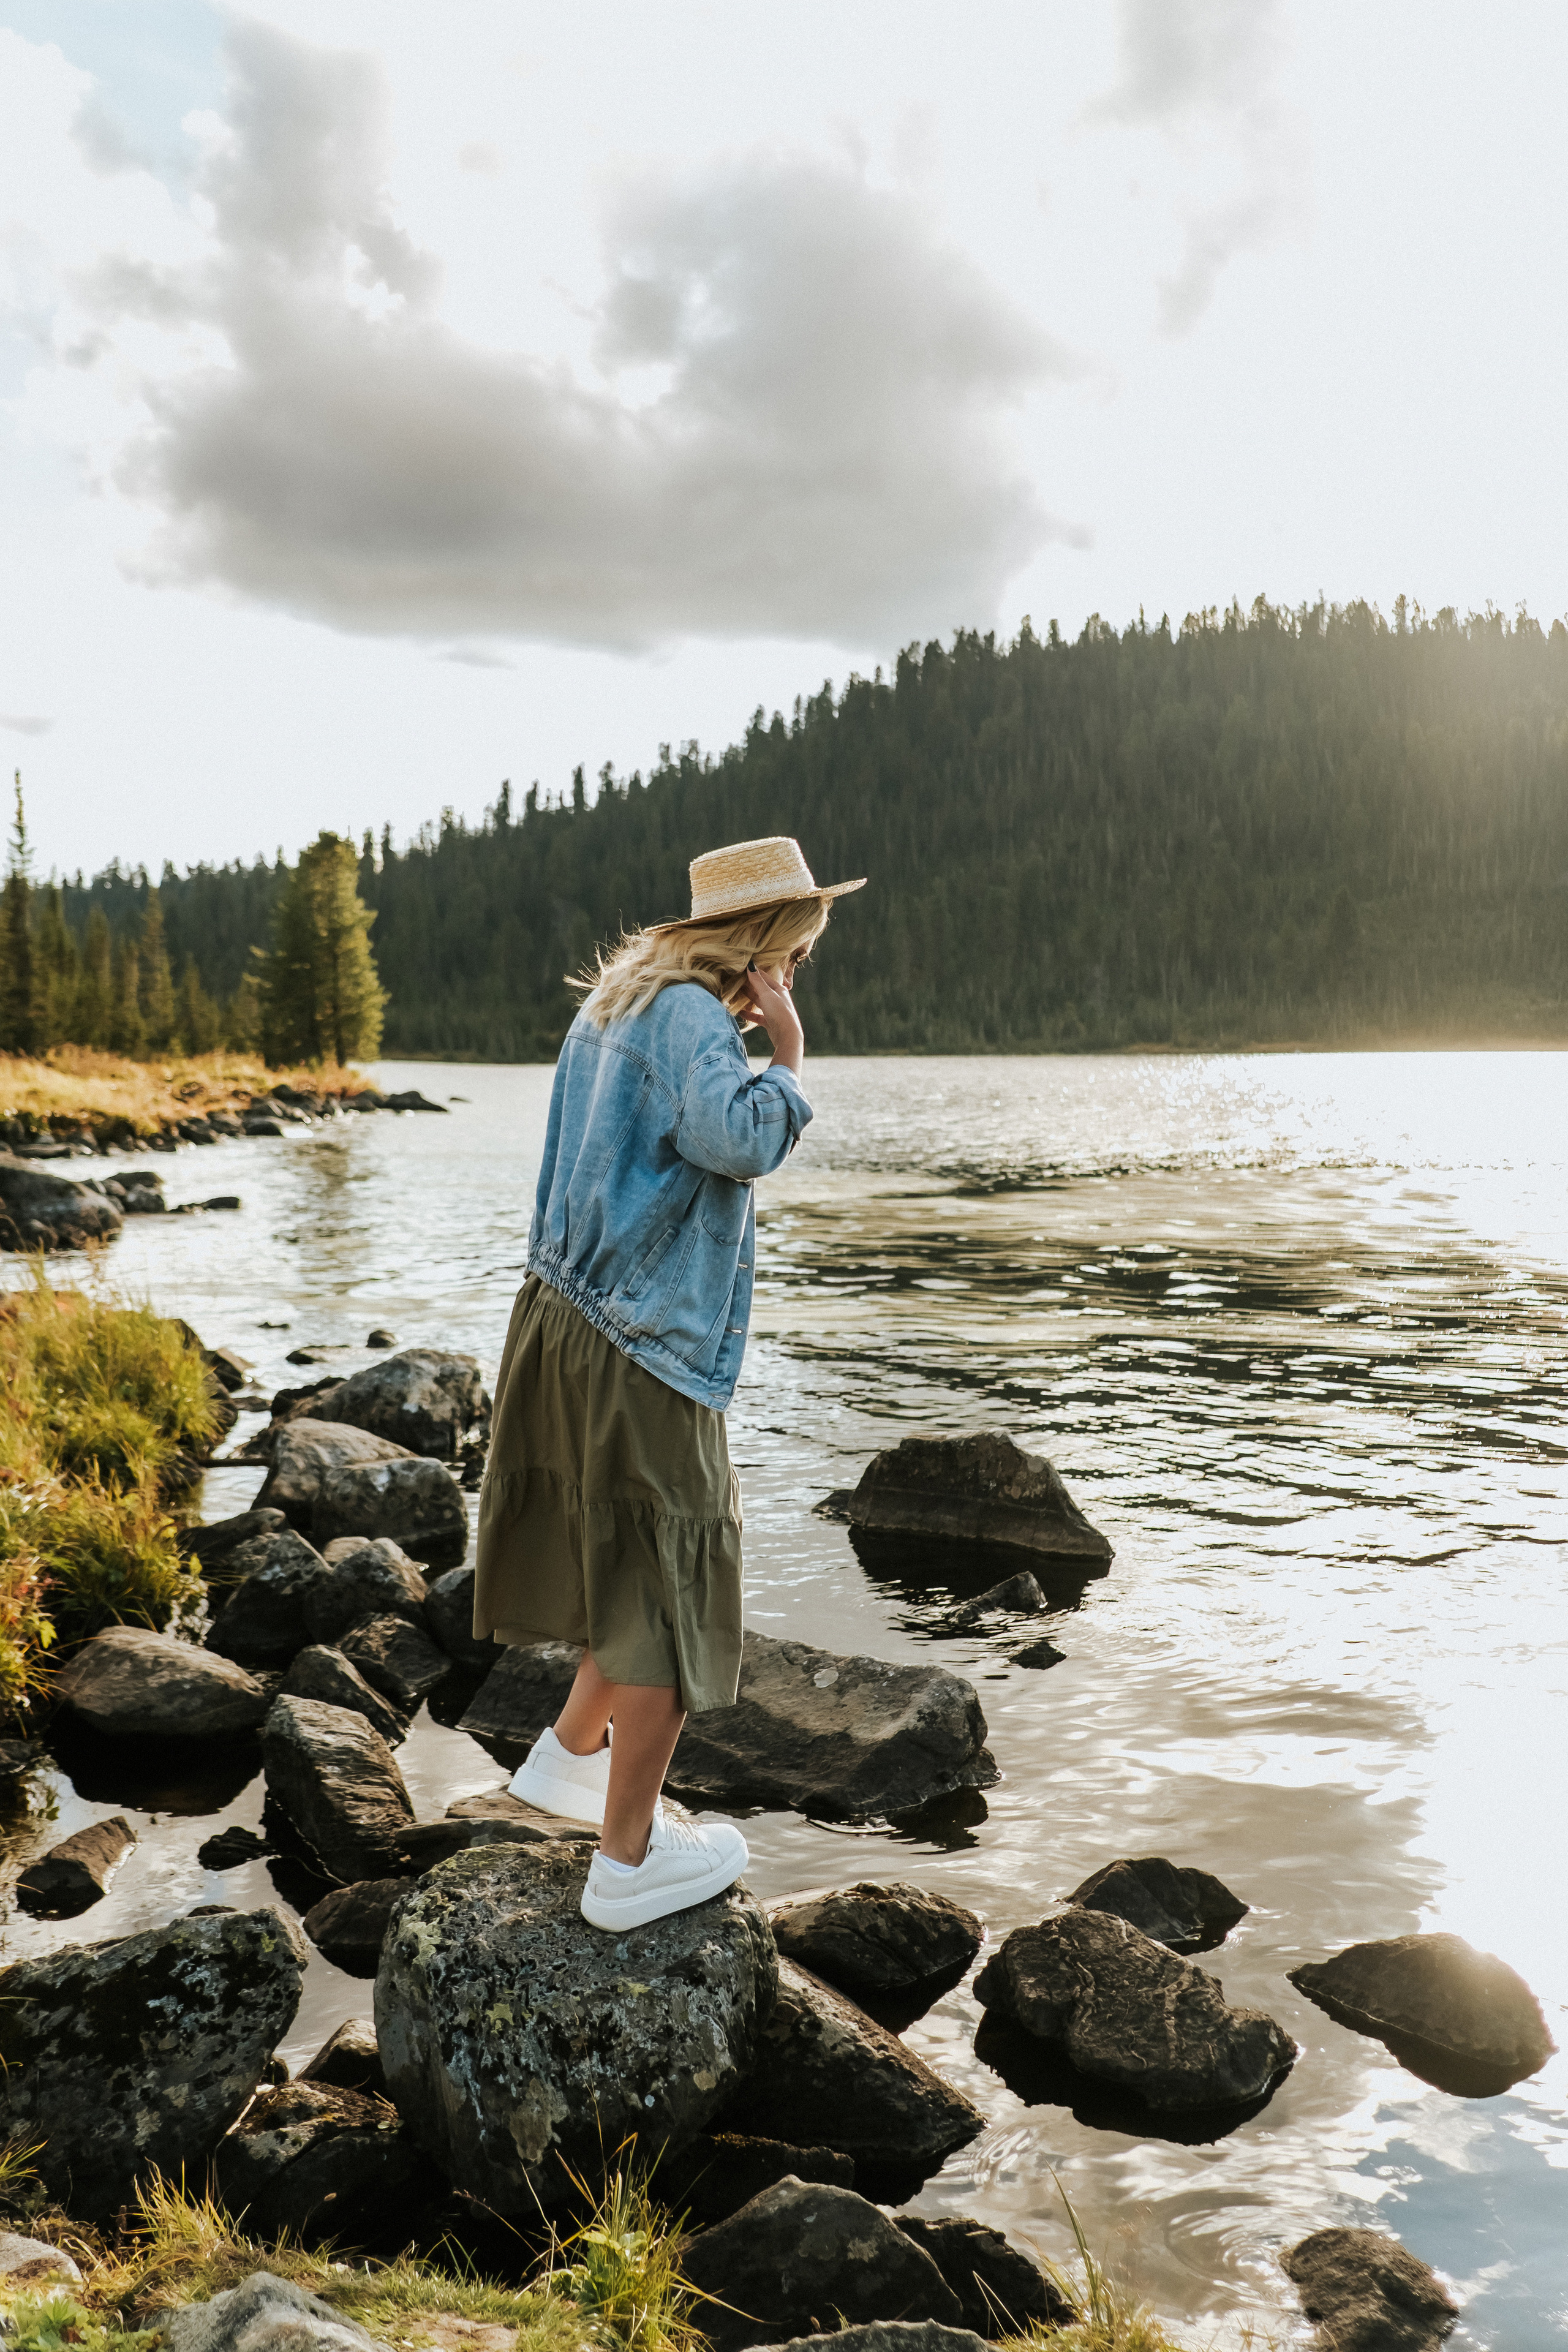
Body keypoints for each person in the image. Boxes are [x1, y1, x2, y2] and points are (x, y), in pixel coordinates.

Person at [473, 834, 865, 1931]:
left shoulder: (617, 999)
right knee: (675, 1582)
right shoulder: (696, 1013)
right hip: (641, 1340)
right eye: (793, 956)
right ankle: (627, 1862)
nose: (793, 974)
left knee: (637, 1556)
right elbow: (730, 1140)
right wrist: (787, 1057)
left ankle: (566, 1757)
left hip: (565, 1318)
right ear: (762, 946)